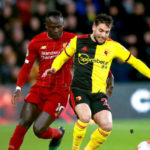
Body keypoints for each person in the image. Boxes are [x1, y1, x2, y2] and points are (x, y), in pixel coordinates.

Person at [42, 13, 150, 150]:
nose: (103, 35)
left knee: (107, 125)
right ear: (94, 27)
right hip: (79, 89)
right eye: (101, 30)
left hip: (99, 94)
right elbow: (62, 57)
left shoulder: (114, 46)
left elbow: (135, 62)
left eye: (106, 32)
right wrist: (54, 67)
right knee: (85, 117)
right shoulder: (78, 41)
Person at [8, 10, 76, 150]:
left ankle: (58, 133)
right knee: (23, 122)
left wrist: (108, 74)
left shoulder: (73, 39)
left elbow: (95, 53)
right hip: (39, 88)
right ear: (46, 26)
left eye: (59, 26)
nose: (57, 30)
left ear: (63, 25)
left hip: (59, 91)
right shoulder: (36, 41)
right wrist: (19, 87)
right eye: (53, 27)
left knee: (38, 130)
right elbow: (26, 67)